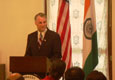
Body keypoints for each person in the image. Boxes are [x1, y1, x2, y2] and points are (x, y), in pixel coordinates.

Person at [24, 12, 62, 78]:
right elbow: (28, 54)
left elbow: (57, 55)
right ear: (35, 23)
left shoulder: (54, 36)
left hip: (49, 73)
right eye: (40, 23)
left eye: (44, 22)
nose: (43, 25)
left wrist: (45, 65)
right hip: (33, 73)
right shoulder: (31, 37)